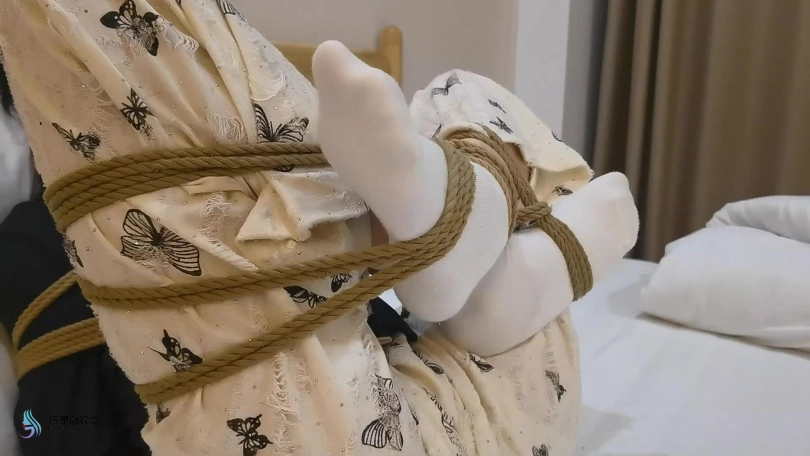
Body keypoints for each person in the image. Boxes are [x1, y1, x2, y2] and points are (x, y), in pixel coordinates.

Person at [0, 1, 638, 455]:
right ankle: (469, 240)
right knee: (460, 95)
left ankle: (458, 236)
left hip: (240, 411)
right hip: (410, 415)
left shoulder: (40, 237)